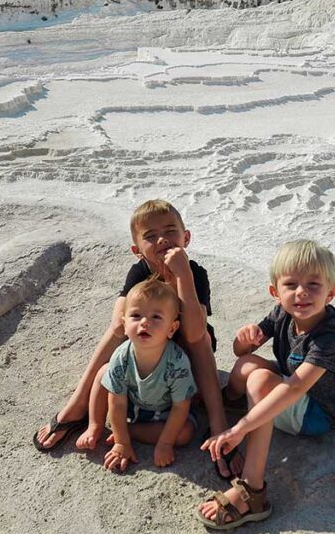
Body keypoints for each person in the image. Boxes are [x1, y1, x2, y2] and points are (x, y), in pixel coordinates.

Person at [33, 199, 240, 475]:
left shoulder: (196, 274)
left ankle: (217, 423)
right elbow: (120, 323)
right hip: (147, 352)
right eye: (150, 236)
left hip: (185, 354)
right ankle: (79, 404)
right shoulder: (140, 272)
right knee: (120, 328)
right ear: (137, 250)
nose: (162, 240)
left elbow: (193, 330)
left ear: (186, 238)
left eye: (169, 231)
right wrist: (139, 309)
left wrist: (183, 277)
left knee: (199, 339)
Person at [198, 239, 335, 530]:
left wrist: (241, 428)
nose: (302, 293)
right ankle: (234, 402)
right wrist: (243, 340)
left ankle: (252, 490)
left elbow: (295, 388)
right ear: (275, 292)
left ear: (332, 292)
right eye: (291, 284)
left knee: (259, 379)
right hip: (295, 387)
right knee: (247, 365)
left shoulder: (330, 336)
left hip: (320, 414)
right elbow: (240, 353)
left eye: (314, 284)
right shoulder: (284, 313)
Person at [101, 277, 196, 471]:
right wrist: (121, 443)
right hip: (131, 405)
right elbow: (117, 402)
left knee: (185, 433)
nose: (145, 322)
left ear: (172, 328)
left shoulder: (177, 362)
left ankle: (131, 431)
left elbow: (180, 407)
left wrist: (165, 443)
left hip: (165, 413)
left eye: (156, 317)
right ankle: (95, 425)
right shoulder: (121, 356)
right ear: (125, 324)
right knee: (102, 374)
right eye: (136, 316)